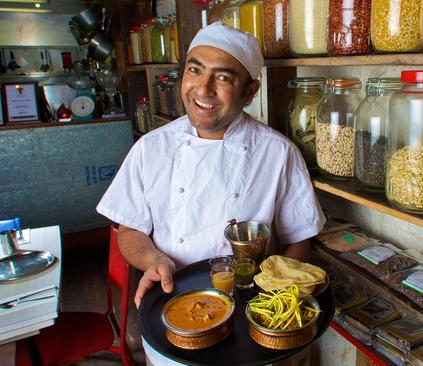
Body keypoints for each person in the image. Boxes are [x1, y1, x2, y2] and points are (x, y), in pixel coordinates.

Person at [96, 22, 325, 365]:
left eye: (223, 77)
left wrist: (276, 298)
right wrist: (153, 260)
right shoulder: (151, 148)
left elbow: (298, 240)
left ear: (250, 93)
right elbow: (130, 230)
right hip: (173, 313)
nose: (202, 89)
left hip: (252, 321)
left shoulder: (278, 153)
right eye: (194, 70)